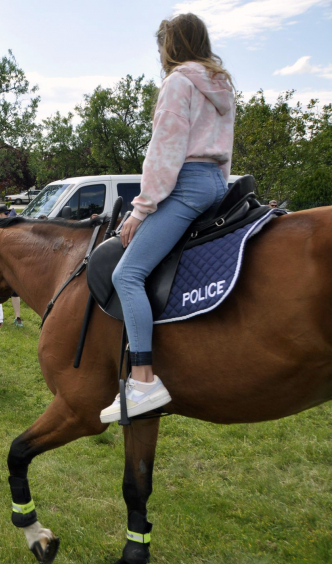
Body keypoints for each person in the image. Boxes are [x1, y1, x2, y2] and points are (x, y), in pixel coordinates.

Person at [101, 13, 235, 423]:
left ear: (172, 45)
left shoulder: (178, 82)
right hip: (216, 181)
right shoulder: (222, 85)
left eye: (162, 45)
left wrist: (141, 210)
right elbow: (225, 148)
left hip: (187, 183)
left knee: (126, 275)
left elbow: (165, 151)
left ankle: (142, 380)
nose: (160, 53)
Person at [0, 206, 24, 327]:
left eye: (8, 213)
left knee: (15, 291)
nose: (7, 215)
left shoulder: (11, 225)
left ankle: (18, 317)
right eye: (5, 213)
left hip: (11, 262)